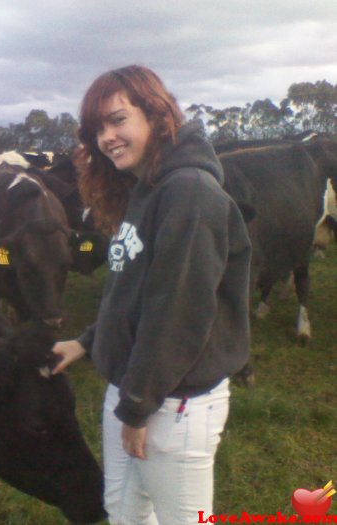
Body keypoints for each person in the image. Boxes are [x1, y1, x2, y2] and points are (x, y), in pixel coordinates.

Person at [52, 65, 252, 525]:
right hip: (133, 390)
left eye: (118, 119)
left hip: (173, 402)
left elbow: (177, 313)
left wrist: (138, 408)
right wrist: (85, 342)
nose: (107, 137)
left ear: (157, 115)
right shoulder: (147, 189)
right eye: (97, 129)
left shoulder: (189, 193)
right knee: (123, 511)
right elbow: (136, 292)